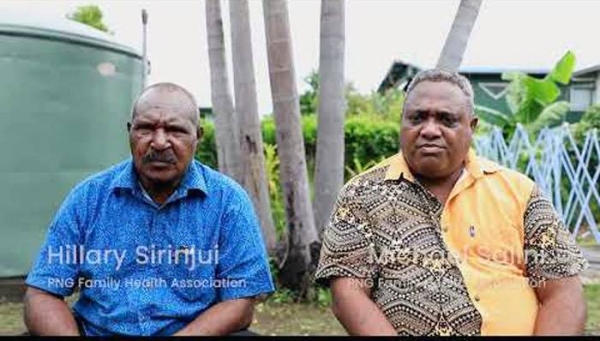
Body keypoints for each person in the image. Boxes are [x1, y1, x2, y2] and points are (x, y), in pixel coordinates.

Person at [314, 69, 589, 336]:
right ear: (402, 122)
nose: (429, 130)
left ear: (472, 127)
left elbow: (563, 291)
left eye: (446, 120)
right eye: (417, 118)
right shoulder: (361, 194)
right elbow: (348, 293)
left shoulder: (520, 192)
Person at [23, 83, 274, 336]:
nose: (160, 142)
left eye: (175, 130)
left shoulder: (228, 201)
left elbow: (241, 302)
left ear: (198, 136)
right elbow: (43, 292)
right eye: (146, 129)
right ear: (130, 132)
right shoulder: (88, 197)